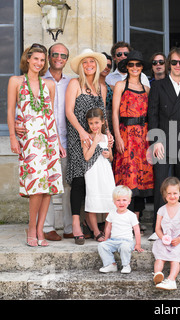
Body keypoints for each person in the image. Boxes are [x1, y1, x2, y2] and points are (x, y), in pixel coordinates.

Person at [7, 43, 65, 247]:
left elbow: (52, 117)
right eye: (36, 59)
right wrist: (13, 136)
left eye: (42, 60)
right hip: (30, 140)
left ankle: (41, 229)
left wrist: (57, 142)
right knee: (36, 185)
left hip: (48, 138)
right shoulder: (15, 81)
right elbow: (10, 111)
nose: (39, 63)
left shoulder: (49, 85)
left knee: (48, 186)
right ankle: (31, 227)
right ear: (28, 59)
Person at [148, 47, 180, 239]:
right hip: (163, 141)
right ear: (169, 64)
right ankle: (158, 229)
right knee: (162, 185)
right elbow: (152, 115)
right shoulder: (158, 86)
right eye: (174, 62)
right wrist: (156, 140)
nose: (177, 66)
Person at [65, 48, 109, 245]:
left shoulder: (101, 86)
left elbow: (104, 116)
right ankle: (76, 223)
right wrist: (82, 133)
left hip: (96, 138)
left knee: (94, 181)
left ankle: (92, 224)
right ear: (81, 66)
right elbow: (69, 111)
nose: (89, 65)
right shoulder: (75, 83)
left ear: (97, 65)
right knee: (79, 180)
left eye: (92, 62)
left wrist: (107, 135)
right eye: (85, 62)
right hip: (78, 137)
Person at [112, 50, 154, 230]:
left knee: (141, 179)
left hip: (143, 136)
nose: (134, 68)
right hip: (126, 134)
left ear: (142, 67)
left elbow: (151, 116)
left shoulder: (147, 90)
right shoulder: (120, 85)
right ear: (126, 67)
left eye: (138, 65)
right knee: (127, 178)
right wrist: (118, 137)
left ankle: (135, 221)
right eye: (131, 65)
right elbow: (114, 113)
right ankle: (123, 221)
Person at [40, 43, 73, 241]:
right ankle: (47, 227)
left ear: (67, 59)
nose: (59, 58)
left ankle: (69, 227)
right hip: (45, 141)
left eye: (63, 55)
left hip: (69, 141)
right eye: (55, 54)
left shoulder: (72, 82)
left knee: (69, 185)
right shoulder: (40, 80)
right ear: (49, 57)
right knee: (48, 185)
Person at [152, 177, 180, 290]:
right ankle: (157, 274)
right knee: (160, 257)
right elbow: (158, 229)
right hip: (165, 240)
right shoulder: (161, 210)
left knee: (175, 258)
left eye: (175, 193)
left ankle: (171, 280)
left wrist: (179, 239)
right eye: (169, 193)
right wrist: (162, 237)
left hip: (179, 241)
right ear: (164, 195)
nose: (172, 196)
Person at [83, 108, 115, 242]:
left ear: (102, 122)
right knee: (93, 201)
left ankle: (107, 231)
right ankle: (96, 231)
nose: (94, 126)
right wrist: (94, 142)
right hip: (93, 172)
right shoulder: (87, 137)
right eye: (91, 123)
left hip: (105, 171)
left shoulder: (107, 137)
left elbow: (111, 157)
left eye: (96, 123)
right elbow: (86, 157)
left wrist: (109, 155)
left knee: (109, 201)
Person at [98, 185, 144, 274]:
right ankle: (111, 264)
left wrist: (138, 244)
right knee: (102, 246)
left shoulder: (131, 215)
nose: (121, 203)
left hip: (126, 241)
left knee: (124, 247)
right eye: (118, 200)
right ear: (114, 202)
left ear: (129, 201)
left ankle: (126, 265)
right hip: (113, 240)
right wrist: (106, 239)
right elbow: (108, 227)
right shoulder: (112, 213)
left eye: (124, 200)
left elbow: (137, 230)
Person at [100, 52, 114, 136]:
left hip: (110, 124)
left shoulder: (110, 87)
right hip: (97, 125)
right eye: (104, 64)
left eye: (109, 66)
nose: (106, 67)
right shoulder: (91, 86)